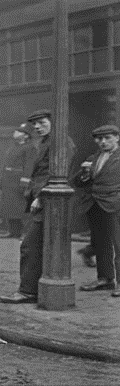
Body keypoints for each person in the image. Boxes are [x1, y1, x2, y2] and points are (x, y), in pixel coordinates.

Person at [0, 109, 75, 304]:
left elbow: (59, 173)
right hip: (42, 199)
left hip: (49, 200)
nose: (37, 127)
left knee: (30, 246)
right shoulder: (45, 143)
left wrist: (41, 196)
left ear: (54, 122)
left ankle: (28, 291)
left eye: (42, 123)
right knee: (36, 246)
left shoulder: (60, 142)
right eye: (35, 125)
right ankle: (35, 288)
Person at [71, 125, 120, 298]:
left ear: (117, 138)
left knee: (118, 244)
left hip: (115, 205)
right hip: (95, 206)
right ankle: (105, 279)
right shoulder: (93, 158)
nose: (103, 142)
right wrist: (84, 175)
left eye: (107, 138)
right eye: (99, 139)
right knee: (100, 244)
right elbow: (76, 181)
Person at [0, 123, 37, 238]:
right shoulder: (13, 147)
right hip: (8, 182)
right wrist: (1, 183)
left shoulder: (30, 148)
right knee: (9, 208)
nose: (16, 132)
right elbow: (6, 165)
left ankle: (24, 233)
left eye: (19, 131)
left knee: (21, 208)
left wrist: (25, 184)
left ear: (26, 136)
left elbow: (29, 166)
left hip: (18, 182)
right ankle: (12, 231)